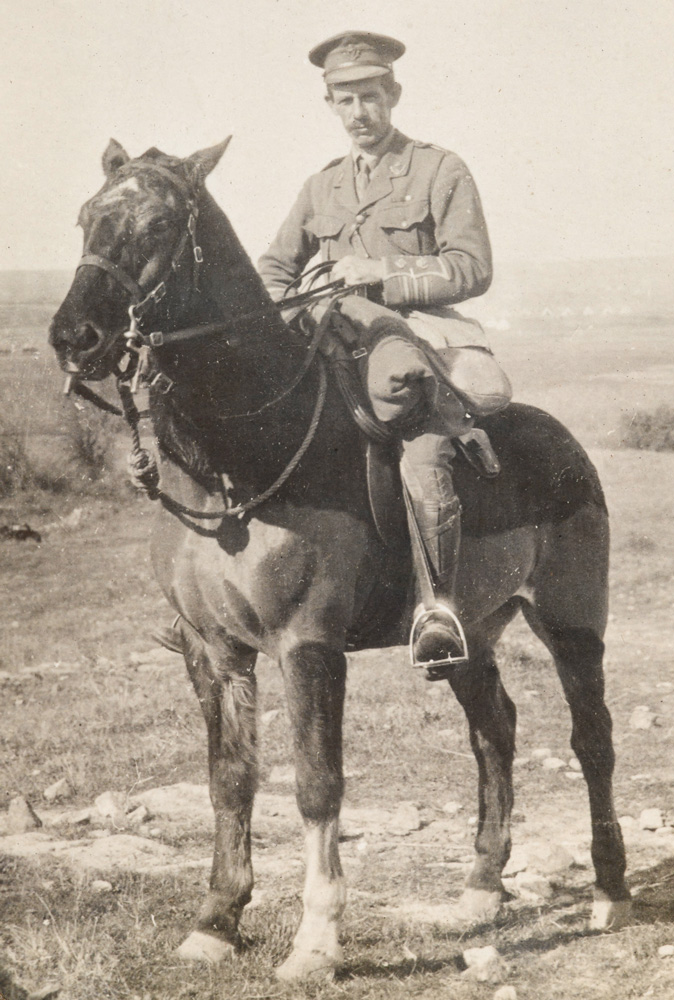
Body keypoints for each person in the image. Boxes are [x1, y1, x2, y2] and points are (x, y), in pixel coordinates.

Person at [155, 31, 512, 669]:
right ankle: (204, 600)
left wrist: (380, 274)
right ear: (329, 105)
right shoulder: (322, 186)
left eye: (370, 97)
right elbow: (271, 272)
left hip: (418, 336)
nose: (359, 113)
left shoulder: (440, 169)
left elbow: (472, 267)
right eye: (344, 101)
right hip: (336, 336)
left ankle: (438, 609)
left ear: (393, 95)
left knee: (419, 434)